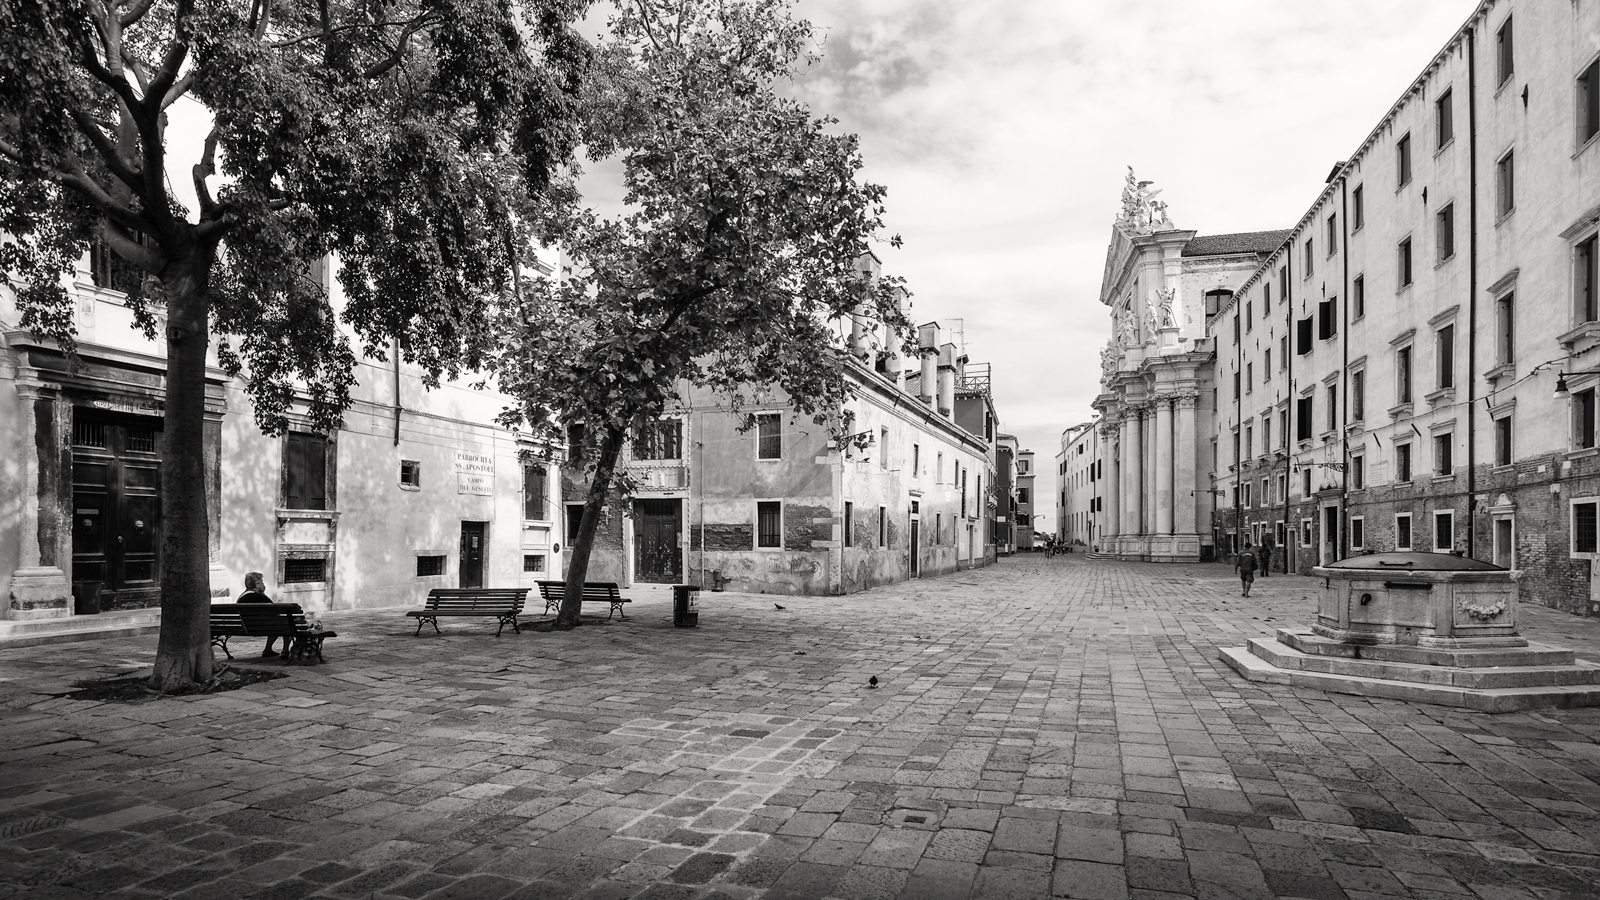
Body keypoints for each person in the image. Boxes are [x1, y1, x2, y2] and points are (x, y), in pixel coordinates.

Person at [237, 571, 282, 657]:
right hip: (260, 627)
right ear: (257, 584)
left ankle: (268, 649)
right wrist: (262, 593)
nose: (263, 584)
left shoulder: (242, 597)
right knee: (285, 623)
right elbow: (275, 609)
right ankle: (285, 650)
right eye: (262, 582)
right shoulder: (259, 597)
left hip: (246, 627)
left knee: (277, 622)